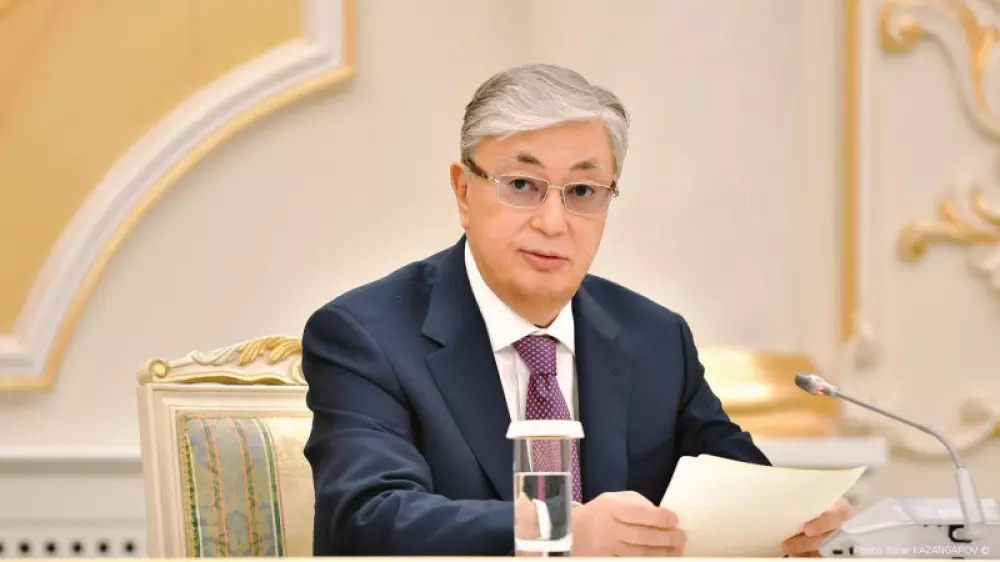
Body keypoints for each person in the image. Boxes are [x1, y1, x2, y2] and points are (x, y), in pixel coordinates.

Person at [301, 63, 852, 556]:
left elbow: (739, 483)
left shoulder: (657, 339)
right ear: (463, 191)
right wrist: (557, 530)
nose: (553, 222)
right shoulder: (366, 335)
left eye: (583, 191)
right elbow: (367, 518)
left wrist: (795, 521)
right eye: (522, 185)